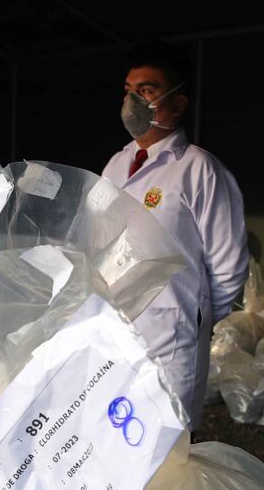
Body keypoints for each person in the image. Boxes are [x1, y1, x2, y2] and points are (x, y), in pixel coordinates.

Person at [102, 43, 249, 430]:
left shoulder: (199, 169)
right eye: (128, 90)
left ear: (178, 103)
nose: (132, 102)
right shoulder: (116, 165)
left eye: (146, 90)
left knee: (169, 440)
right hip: (117, 327)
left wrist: (194, 318)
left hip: (173, 334)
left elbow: (228, 265)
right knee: (117, 433)